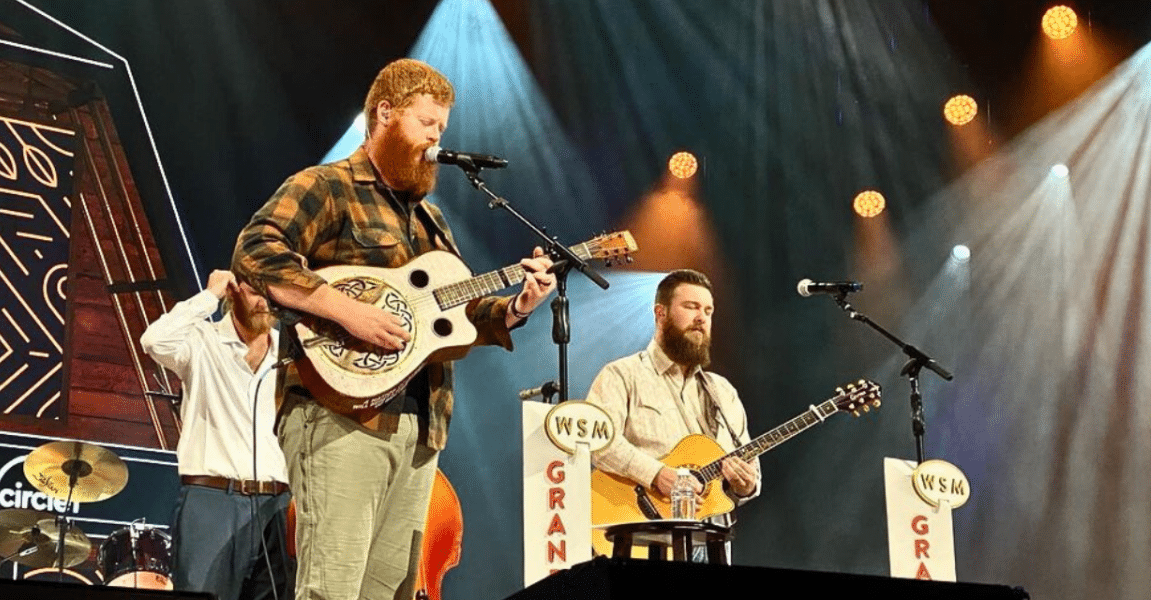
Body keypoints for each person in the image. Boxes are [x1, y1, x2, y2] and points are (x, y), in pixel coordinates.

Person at [231, 58, 556, 600]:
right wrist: (345, 309)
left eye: (442, 130)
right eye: (427, 124)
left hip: (421, 428)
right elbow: (255, 251)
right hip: (338, 415)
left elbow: (455, 321)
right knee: (331, 589)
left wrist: (518, 306)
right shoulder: (327, 186)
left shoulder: (432, 219)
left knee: (391, 593)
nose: (436, 139)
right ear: (385, 112)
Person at [141, 269, 293, 600]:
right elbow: (153, 340)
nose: (263, 303)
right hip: (213, 502)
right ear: (234, 293)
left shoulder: (291, 353)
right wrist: (208, 296)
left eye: (271, 294)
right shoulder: (202, 340)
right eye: (255, 292)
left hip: (279, 503)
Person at [585, 269, 760, 551]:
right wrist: (657, 475)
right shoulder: (621, 374)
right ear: (660, 313)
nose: (701, 318)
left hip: (712, 537)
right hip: (642, 532)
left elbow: (751, 469)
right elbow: (597, 442)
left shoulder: (722, 391)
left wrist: (747, 485)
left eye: (708, 310)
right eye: (691, 307)